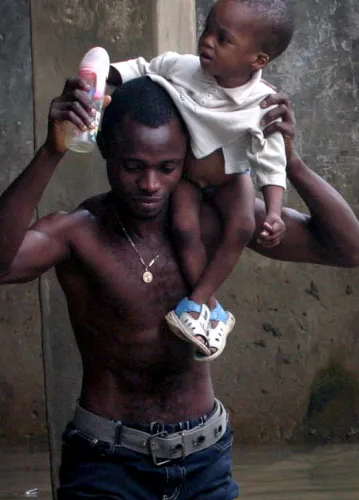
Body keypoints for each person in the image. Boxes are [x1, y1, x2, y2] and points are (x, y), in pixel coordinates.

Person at [0, 75, 359, 500]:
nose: (151, 185)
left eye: (167, 168)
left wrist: (290, 162)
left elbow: (351, 250)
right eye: (133, 167)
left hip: (200, 461)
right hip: (106, 464)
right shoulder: (78, 232)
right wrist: (52, 151)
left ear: (189, 160)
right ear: (107, 153)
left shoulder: (213, 222)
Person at [107, 0, 297, 361]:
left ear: (257, 60)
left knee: (242, 226)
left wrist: (274, 211)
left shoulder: (263, 102)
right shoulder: (182, 67)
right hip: (190, 179)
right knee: (183, 227)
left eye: (223, 39)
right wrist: (100, 75)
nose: (207, 41)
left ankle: (195, 303)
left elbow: (271, 163)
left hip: (232, 178)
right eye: (207, 29)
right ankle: (209, 308)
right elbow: (141, 69)